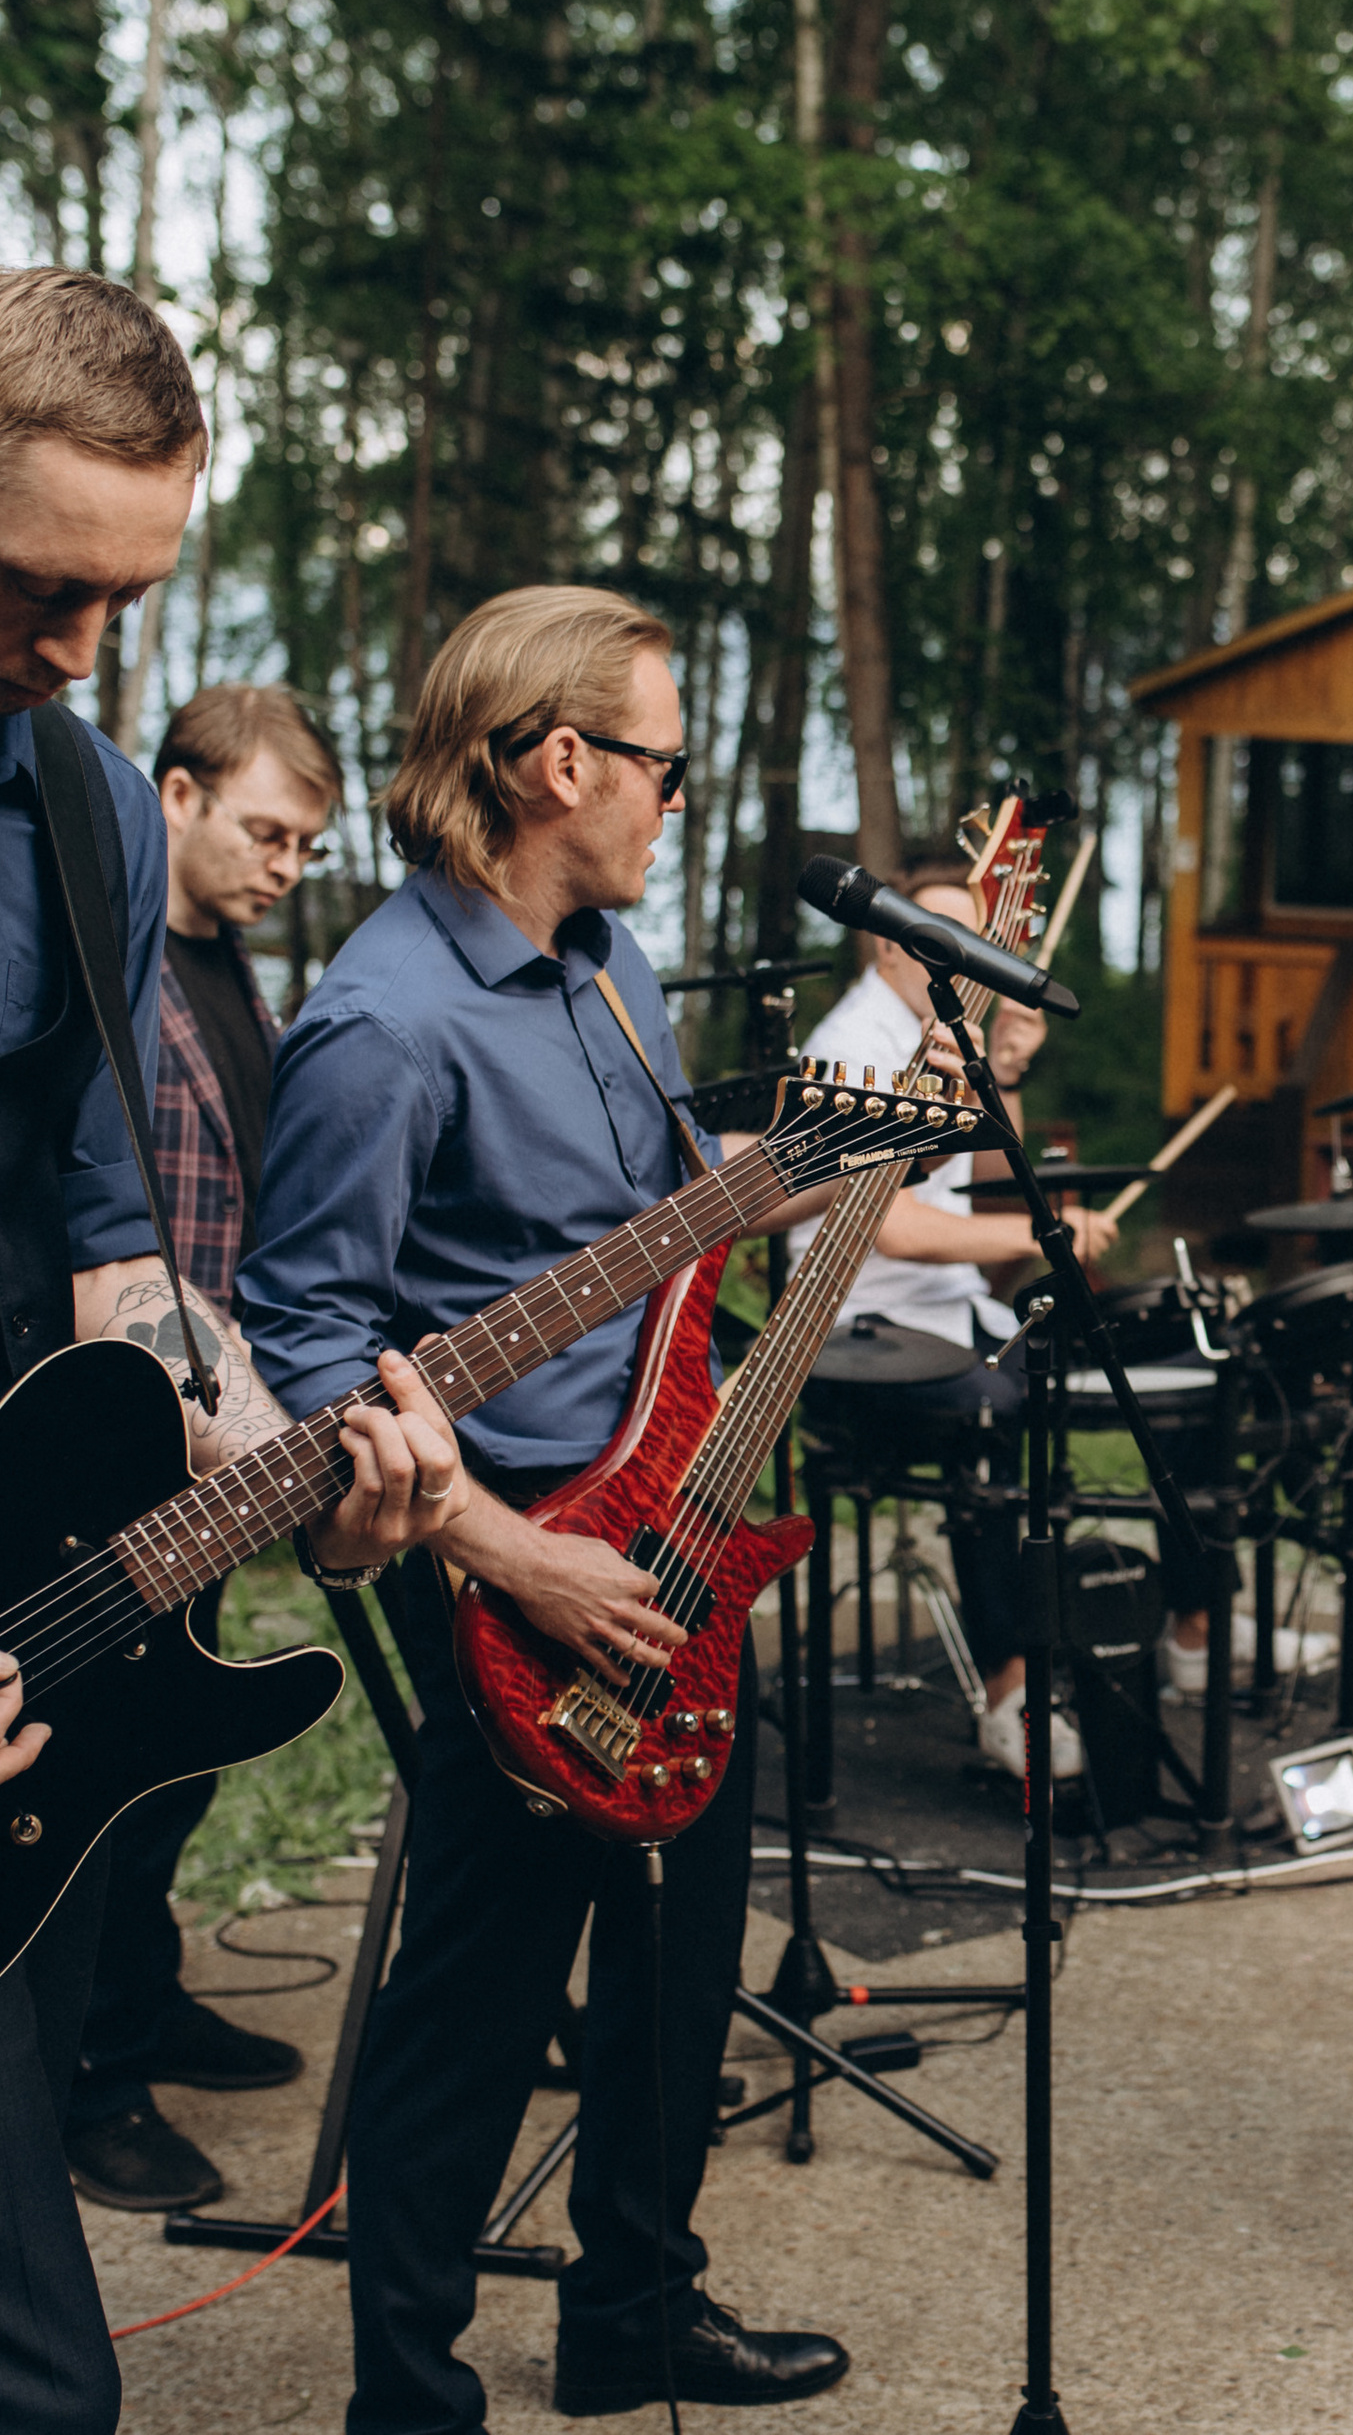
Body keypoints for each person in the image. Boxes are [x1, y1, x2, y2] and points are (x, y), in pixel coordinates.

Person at [237, 585, 850, 2431]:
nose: (679, 798)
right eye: (662, 761)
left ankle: (634, 2314)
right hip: (499, 1579)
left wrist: (838, 1147)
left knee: (679, 1962)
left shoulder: (606, 966)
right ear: (559, 761)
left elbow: (644, 1250)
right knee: (476, 2006)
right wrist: (517, 1559)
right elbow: (308, 1365)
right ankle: (408, 2397)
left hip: (674, 1554)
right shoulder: (383, 1023)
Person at [0, 267, 463, 2435]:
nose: (77, 650)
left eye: (124, 596)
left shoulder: (86, 804)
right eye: (31, 584)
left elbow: (112, 1250)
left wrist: (283, 1453)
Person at [66, 681, 342, 2216]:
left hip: (216, 1436)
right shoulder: (113, 979)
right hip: (111, 1438)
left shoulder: (235, 976)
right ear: (171, 796)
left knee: (173, 1768)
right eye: (262, 830)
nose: (284, 865)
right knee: (106, 1769)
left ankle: (148, 1998)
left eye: (305, 845)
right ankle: (92, 2086)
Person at [789, 860, 1124, 1779]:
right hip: (855, 1328)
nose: (974, 957)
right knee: (996, 1403)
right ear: (890, 943)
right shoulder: (856, 1042)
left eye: (979, 938)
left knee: (1113, 1351)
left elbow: (981, 1220)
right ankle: (1012, 1690)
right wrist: (1047, 1232)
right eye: (949, 938)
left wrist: (1001, 1074)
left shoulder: (940, 1037)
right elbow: (888, 1227)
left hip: (949, 1315)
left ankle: (1177, 1628)